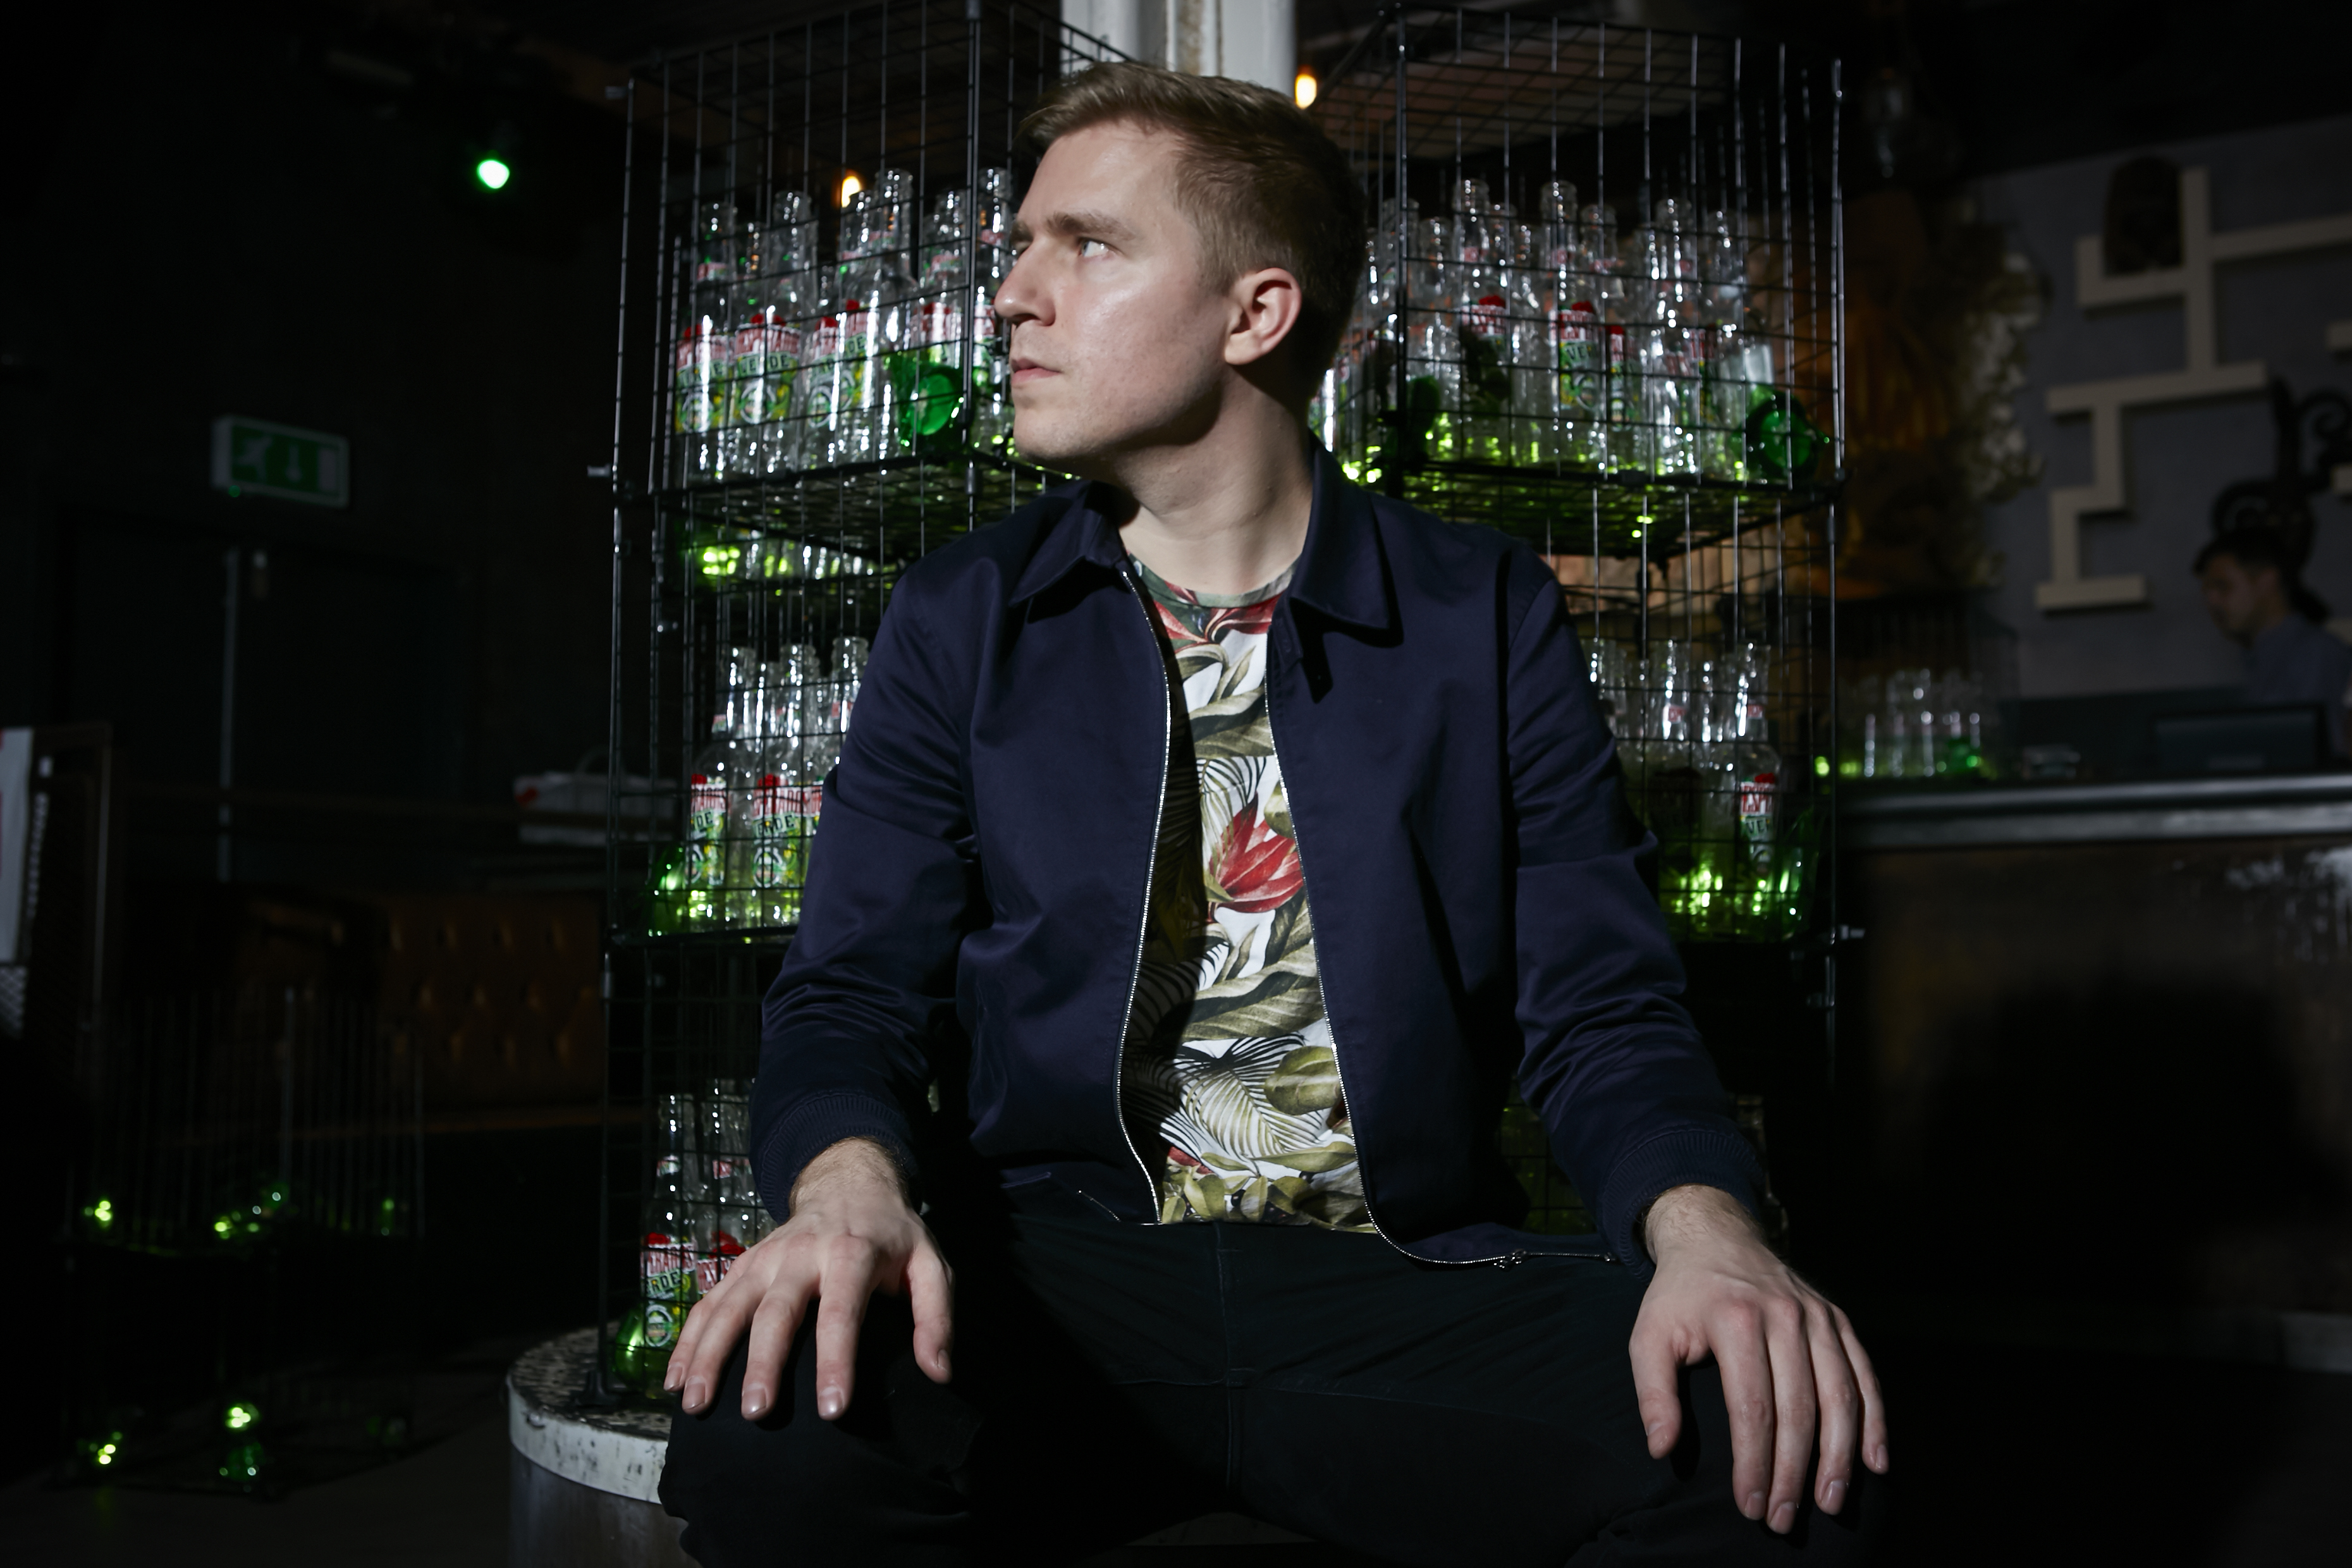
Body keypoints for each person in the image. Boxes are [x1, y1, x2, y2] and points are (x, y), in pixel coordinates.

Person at [658, 63, 1887, 1565]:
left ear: (1255, 313)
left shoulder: (1479, 610)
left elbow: (1600, 1001)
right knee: (767, 1437)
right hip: (1064, 1268)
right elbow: (850, 989)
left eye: (1086, 244)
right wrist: (847, 1192)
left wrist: (1709, 1234)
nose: (1012, 296)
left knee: (1784, 1453)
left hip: (1400, 1280)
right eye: (1021, 246)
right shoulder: (962, 613)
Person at [2195, 526, 2352, 757]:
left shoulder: (2315, 653)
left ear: (2267, 582)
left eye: (2222, 586)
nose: (2212, 601)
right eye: (2207, 592)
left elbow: (2320, 758)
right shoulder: (2257, 660)